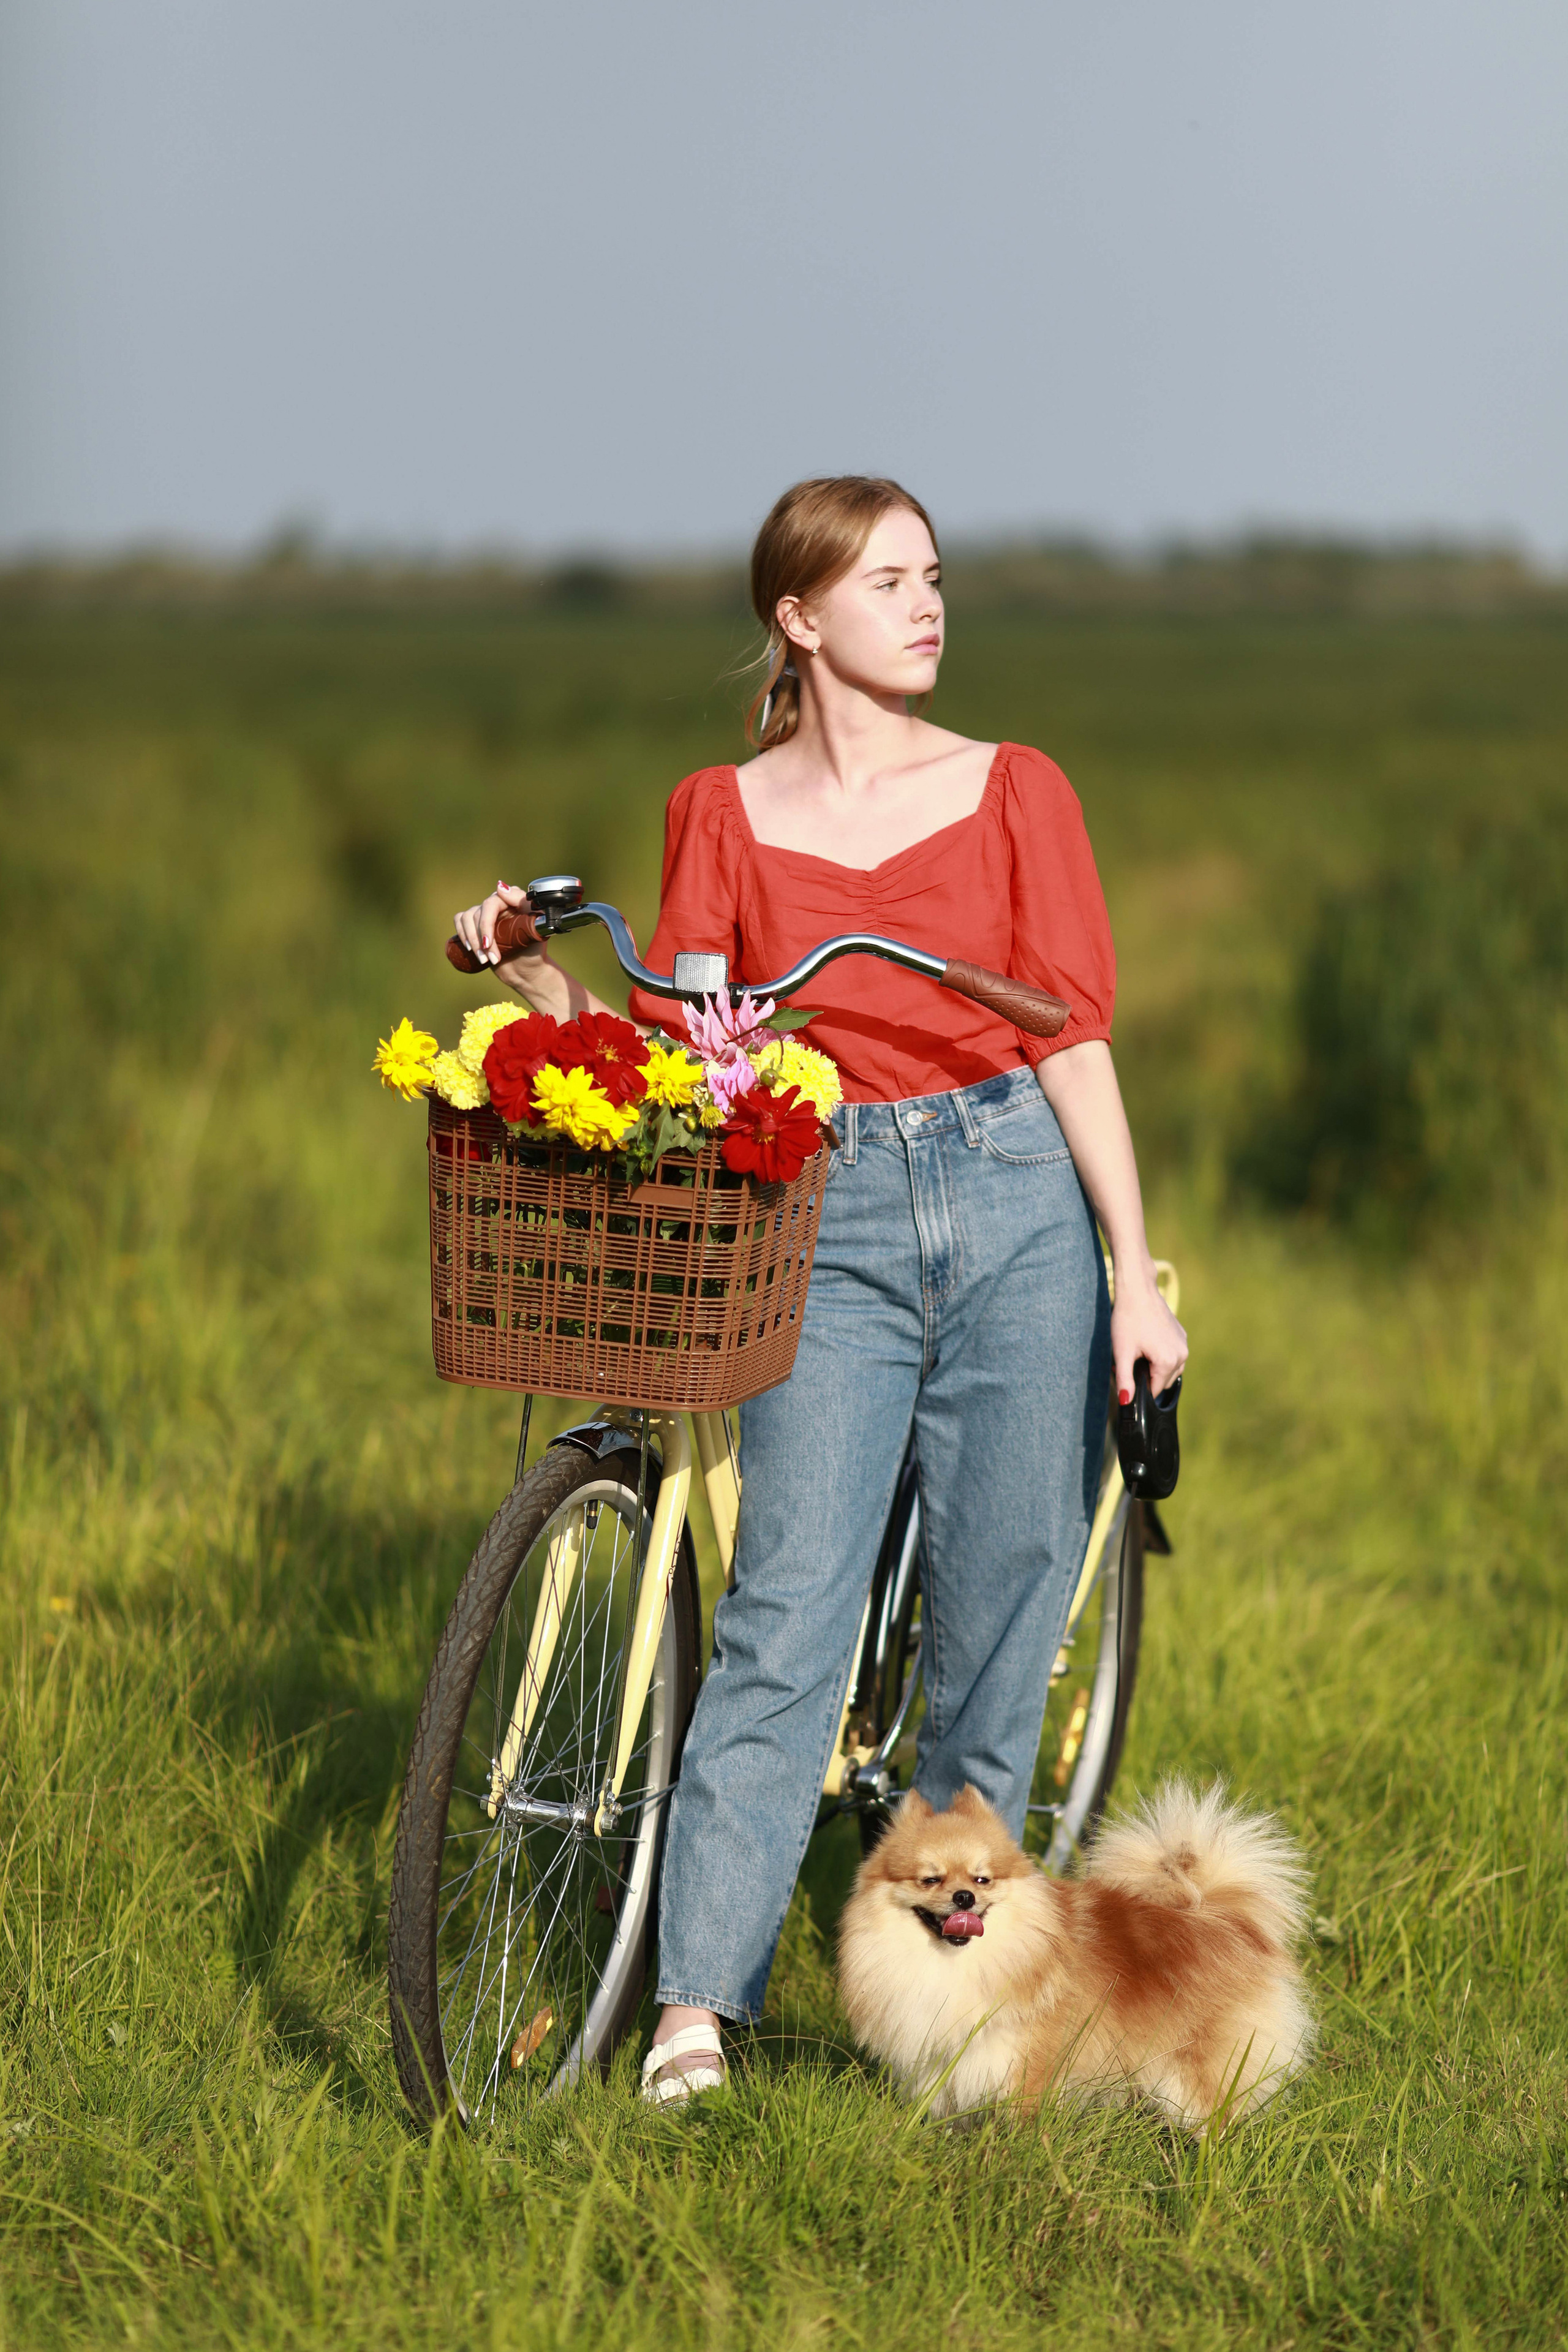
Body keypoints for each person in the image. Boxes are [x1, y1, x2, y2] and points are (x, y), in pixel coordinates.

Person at [452, 475, 1188, 2102]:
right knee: (788, 1611)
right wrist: (537, 982)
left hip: (1012, 1198)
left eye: (938, 577)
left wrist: (1134, 1280)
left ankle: (952, 2006)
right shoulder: (718, 812)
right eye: (890, 583)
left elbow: (1069, 1039)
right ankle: (698, 2010)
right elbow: (694, 1055)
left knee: (998, 1621)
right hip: (824, 1213)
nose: (930, 605)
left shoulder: (1018, 790)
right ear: (800, 618)